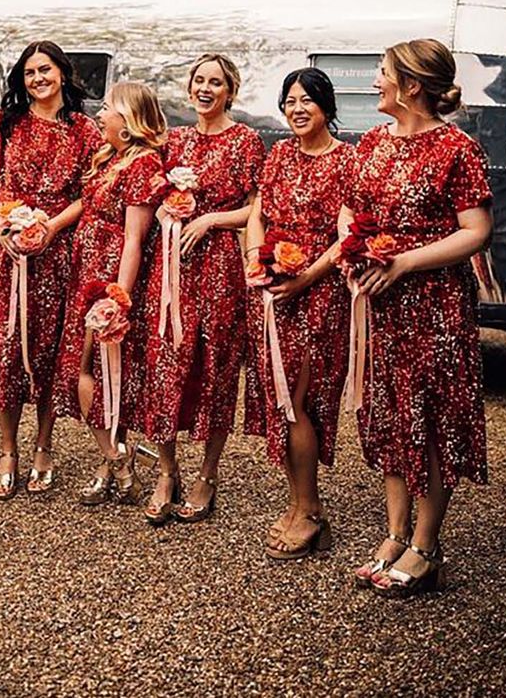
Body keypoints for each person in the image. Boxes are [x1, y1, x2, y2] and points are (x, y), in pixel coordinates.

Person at [344, 39, 492, 596]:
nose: (374, 82)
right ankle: (394, 532)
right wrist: (353, 253)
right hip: (381, 306)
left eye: (382, 73)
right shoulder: (373, 144)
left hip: (434, 306)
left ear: (410, 85)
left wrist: (402, 261)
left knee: (429, 418)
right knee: (389, 414)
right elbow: (350, 209)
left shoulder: (457, 148)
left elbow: (475, 231)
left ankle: (426, 546)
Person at [138, 54, 266, 525]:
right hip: (171, 270)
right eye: (199, 81)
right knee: (166, 366)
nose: (205, 89)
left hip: (220, 270)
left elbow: (256, 207)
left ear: (230, 91)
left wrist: (212, 218)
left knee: (215, 369)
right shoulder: (175, 139)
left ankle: (207, 474)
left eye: (215, 82)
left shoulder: (246, 140)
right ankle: (167, 471)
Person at [0, 41, 100, 499]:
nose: (37, 79)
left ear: (62, 73)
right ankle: (8, 449)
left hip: (57, 252)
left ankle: (44, 445)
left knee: (49, 353)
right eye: (29, 73)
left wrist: (51, 224)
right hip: (3, 252)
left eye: (44, 70)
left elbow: (92, 193)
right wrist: (1, 225)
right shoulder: (4, 123)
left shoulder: (85, 130)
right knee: (6, 352)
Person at [244, 68, 355, 557]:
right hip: (272, 292)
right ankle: (296, 501)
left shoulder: (346, 162)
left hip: (317, 293)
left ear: (326, 106)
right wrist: (255, 258)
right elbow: (258, 216)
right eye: (289, 101)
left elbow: (346, 236)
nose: (297, 109)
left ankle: (310, 510)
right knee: (279, 402)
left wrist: (305, 276)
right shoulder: (280, 154)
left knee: (299, 402)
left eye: (307, 100)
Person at [54, 82, 167, 506]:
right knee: (90, 372)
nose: (100, 115)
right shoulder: (110, 158)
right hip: (85, 274)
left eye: (108, 108)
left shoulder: (143, 165)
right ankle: (114, 459)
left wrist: (117, 296)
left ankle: (114, 461)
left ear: (129, 119)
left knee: (95, 371)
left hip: (107, 280)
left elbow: (135, 238)